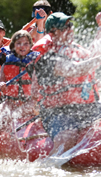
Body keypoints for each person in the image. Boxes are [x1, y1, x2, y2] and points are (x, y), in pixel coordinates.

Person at [27, 12, 101, 155]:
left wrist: (100, 28)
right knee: (68, 137)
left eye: (70, 26)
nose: (70, 30)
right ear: (53, 33)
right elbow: (75, 69)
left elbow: (95, 53)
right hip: (59, 112)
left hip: (88, 108)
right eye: (65, 27)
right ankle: (49, 170)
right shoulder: (47, 58)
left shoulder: (78, 50)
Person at [0, 30, 40, 136]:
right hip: (11, 101)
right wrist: (0, 85)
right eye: (18, 43)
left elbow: (37, 93)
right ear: (13, 46)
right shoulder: (7, 61)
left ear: (31, 45)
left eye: (26, 43)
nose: (22, 46)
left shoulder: (34, 64)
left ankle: (9, 135)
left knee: (11, 116)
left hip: (30, 103)